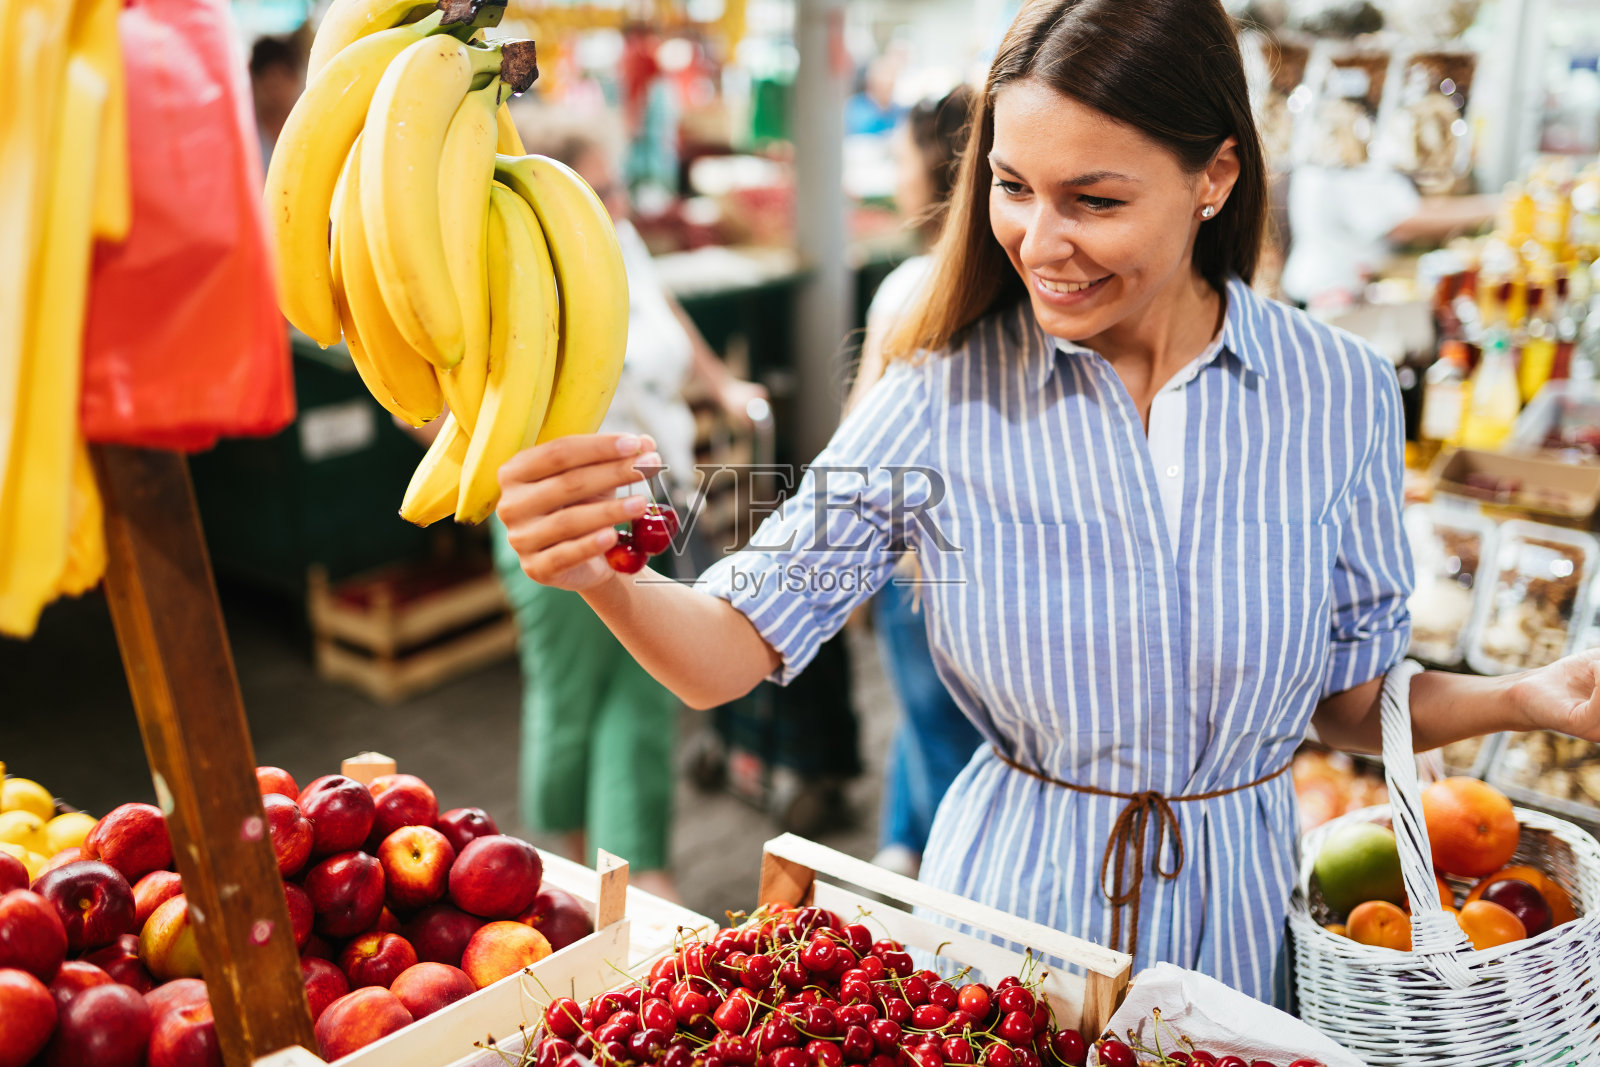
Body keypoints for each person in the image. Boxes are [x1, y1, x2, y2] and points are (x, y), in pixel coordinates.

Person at [492, 0, 1600, 1005]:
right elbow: (731, 644)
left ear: (1213, 177)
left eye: (1095, 200)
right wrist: (603, 570)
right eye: (1013, 188)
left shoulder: (1335, 390)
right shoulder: (939, 393)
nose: (1039, 241)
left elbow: (1346, 700)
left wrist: (1531, 695)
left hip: (1239, 930)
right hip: (1008, 932)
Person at [491, 109, 765, 903]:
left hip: (651, 499)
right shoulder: (515, 269)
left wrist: (719, 383)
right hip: (564, 509)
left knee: (645, 692)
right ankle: (559, 876)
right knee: (571, 698)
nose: (614, 201)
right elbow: (436, 407)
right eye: (599, 185)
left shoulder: (609, 234)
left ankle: (643, 879)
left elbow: (665, 310)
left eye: (613, 185)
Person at [845, 85, 984, 879]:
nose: (893, 173)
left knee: (939, 741)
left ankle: (934, 881)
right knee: (940, 731)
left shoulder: (912, 289)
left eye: (899, 156)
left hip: (919, 571)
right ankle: (902, 846)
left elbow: (860, 461)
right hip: (980, 566)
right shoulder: (1024, 298)